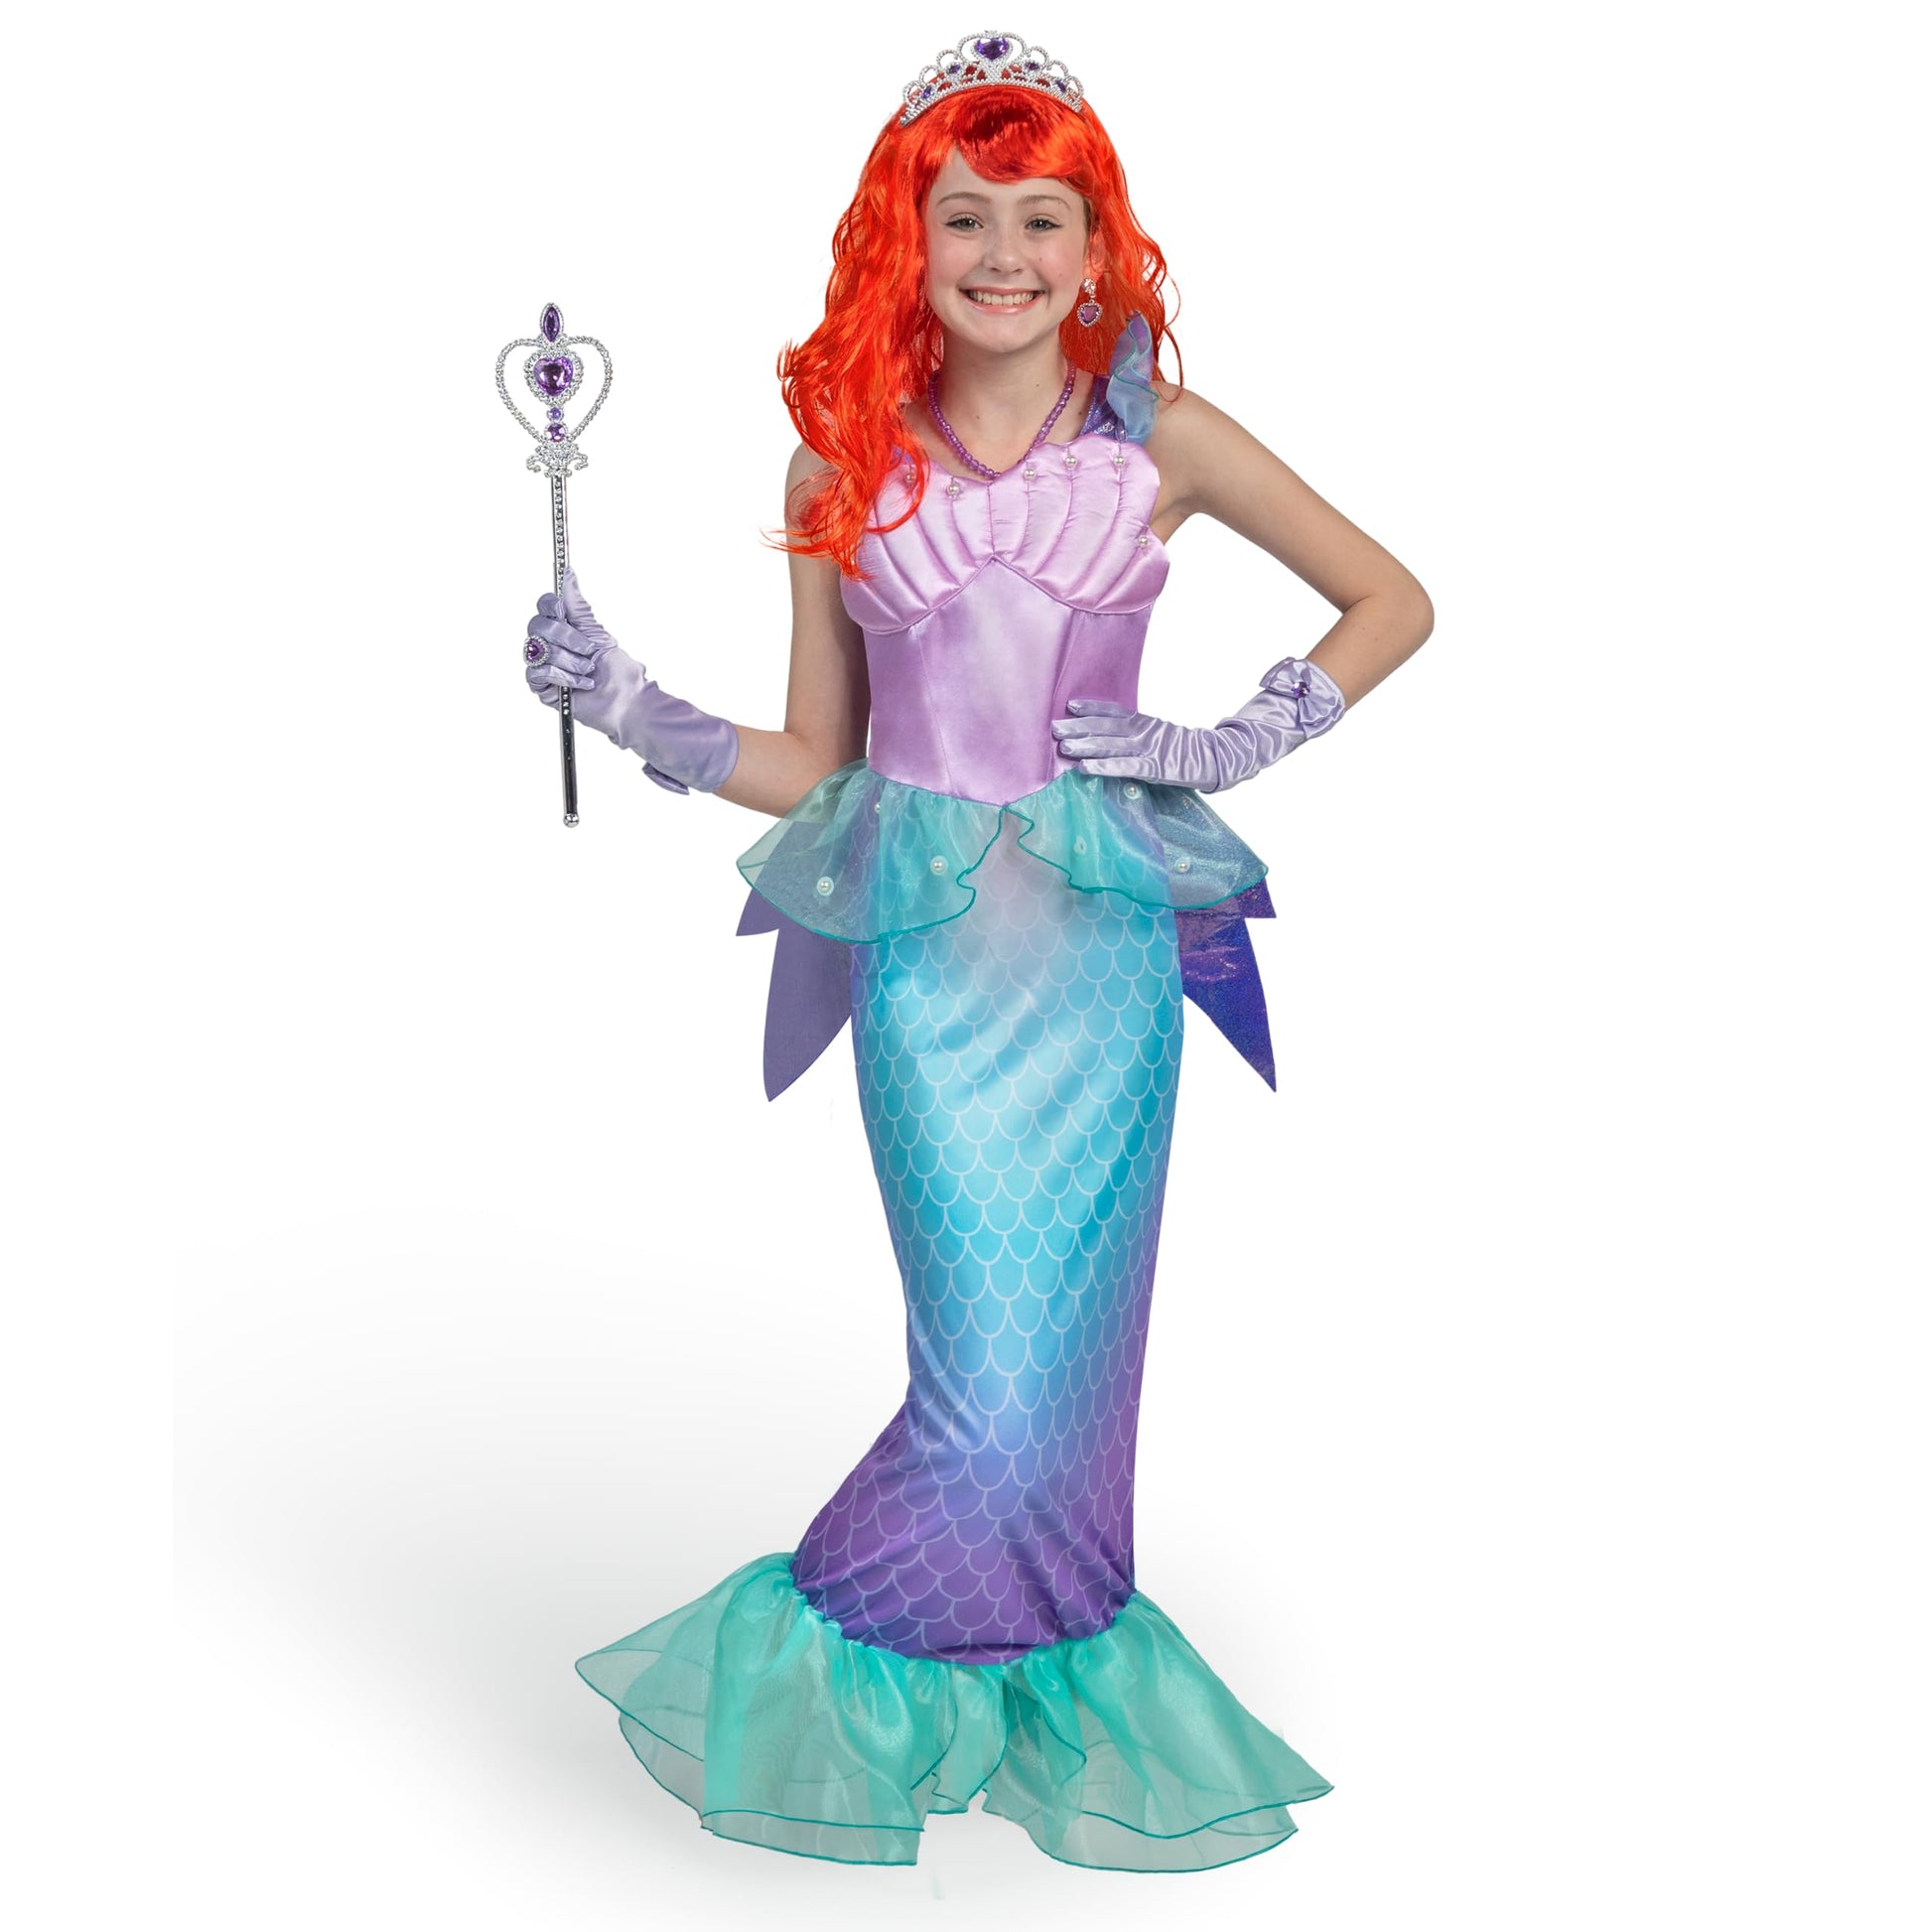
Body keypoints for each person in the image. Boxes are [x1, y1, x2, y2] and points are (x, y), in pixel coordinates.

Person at [522, 28, 1432, 1871]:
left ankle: (1013, 1681)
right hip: (933, 975)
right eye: (964, 215)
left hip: (1103, 959)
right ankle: (836, 1671)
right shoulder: (837, 461)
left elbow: (1391, 598)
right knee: (985, 1385)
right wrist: (629, 706)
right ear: (905, 238)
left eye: (1042, 218)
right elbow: (820, 759)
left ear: (1097, 251)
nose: (1003, 253)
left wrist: (1223, 744)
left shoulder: (1162, 441)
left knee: (1067, 1394)